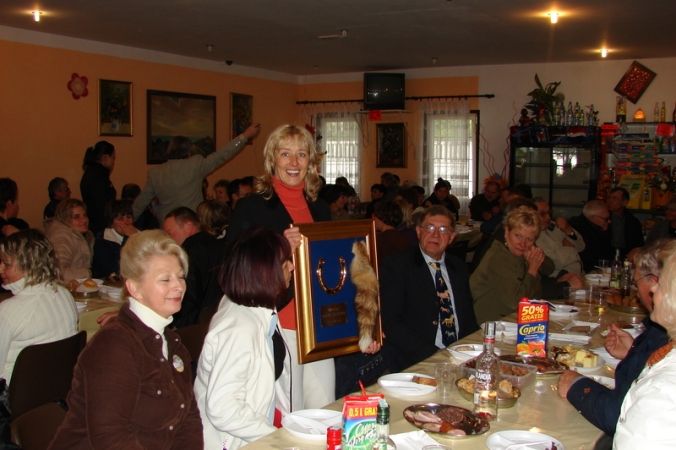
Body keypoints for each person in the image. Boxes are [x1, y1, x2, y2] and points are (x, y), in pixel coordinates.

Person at [226, 124, 379, 412]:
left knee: (324, 407)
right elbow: (233, 265)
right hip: (279, 324)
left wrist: (364, 326)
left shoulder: (319, 207)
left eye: (301, 154)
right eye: (285, 154)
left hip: (318, 325)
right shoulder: (252, 206)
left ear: (311, 160)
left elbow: (335, 272)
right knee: (290, 413)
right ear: (272, 158)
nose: (294, 162)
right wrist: (280, 247)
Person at [49, 230, 203, 449]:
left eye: (180, 276)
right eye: (165, 279)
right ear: (134, 288)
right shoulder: (115, 345)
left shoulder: (171, 342)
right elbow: (111, 438)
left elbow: (188, 418)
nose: (179, 285)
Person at [557, 240, 672, 438]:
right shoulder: (659, 331)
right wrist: (634, 353)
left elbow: (621, 416)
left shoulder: (666, 338)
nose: (645, 292)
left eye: (636, 283)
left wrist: (576, 386)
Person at [194, 227, 292, 450]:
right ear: (265, 272)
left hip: (252, 435)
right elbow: (223, 408)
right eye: (285, 263)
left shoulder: (258, 308)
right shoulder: (239, 328)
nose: (292, 267)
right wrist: (276, 438)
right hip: (231, 442)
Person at [379, 205, 479, 371]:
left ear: (452, 237)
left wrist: (477, 349)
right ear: (418, 231)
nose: (435, 235)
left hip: (460, 356)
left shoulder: (458, 267)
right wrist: (435, 355)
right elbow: (391, 322)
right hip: (418, 359)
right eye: (430, 228)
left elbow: (468, 319)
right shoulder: (398, 265)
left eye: (443, 230)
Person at [612, 241, 676, 449]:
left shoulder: (662, 391)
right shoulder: (667, 352)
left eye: (662, 283)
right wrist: (633, 353)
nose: (653, 287)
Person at [0, 230, 78, 397]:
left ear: (28, 265)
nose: (0, 269)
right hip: (57, 390)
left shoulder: (8, 310)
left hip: (14, 398)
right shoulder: (64, 294)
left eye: (6, 264)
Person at [132, 124, 260, 225]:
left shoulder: (155, 173)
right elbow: (222, 155)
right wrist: (244, 136)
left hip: (168, 227)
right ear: (188, 153)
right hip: (192, 225)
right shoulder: (195, 165)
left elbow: (141, 203)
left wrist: (126, 222)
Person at [470, 206, 544, 324]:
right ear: (506, 232)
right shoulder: (499, 257)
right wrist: (533, 270)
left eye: (529, 239)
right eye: (518, 236)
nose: (523, 243)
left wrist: (533, 263)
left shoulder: (517, 255)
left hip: (510, 320)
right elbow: (516, 301)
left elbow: (535, 296)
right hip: (491, 324)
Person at [163, 207, 226, 328]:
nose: (168, 239)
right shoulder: (220, 245)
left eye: (170, 233)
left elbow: (188, 297)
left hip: (193, 326)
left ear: (188, 227)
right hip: (220, 317)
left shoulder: (186, 254)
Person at [44, 199, 94, 281]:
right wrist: (88, 273)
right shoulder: (62, 238)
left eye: (85, 215)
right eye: (76, 217)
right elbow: (59, 273)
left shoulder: (80, 235)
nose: (84, 220)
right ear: (65, 219)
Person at [534, 197, 585, 276]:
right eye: (542, 214)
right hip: (559, 278)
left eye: (549, 212)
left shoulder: (554, 226)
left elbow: (581, 247)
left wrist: (568, 230)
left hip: (579, 274)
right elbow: (556, 262)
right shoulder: (532, 235)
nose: (548, 217)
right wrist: (571, 249)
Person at [92, 199, 138, 279]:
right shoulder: (102, 241)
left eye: (128, 217)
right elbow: (116, 269)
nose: (126, 222)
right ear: (111, 222)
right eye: (120, 219)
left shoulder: (141, 235)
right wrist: (128, 238)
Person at [80, 141, 117, 234]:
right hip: (100, 228)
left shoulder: (94, 173)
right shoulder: (97, 177)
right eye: (113, 158)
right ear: (105, 157)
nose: (114, 162)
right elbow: (102, 207)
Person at [568, 199, 613, 273]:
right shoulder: (578, 229)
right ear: (592, 218)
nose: (609, 221)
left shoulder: (602, 229)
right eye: (606, 219)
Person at [607, 187, 644, 260]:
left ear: (624, 202)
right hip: (606, 255)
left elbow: (638, 245)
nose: (610, 201)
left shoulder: (633, 222)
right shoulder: (603, 218)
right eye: (609, 198)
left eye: (614, 198)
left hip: (626, 256)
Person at [373, 200, 410, 268]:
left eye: (375, 216)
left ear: (382, 218)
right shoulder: (402, 237)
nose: (373, 219)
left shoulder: (379, 240)